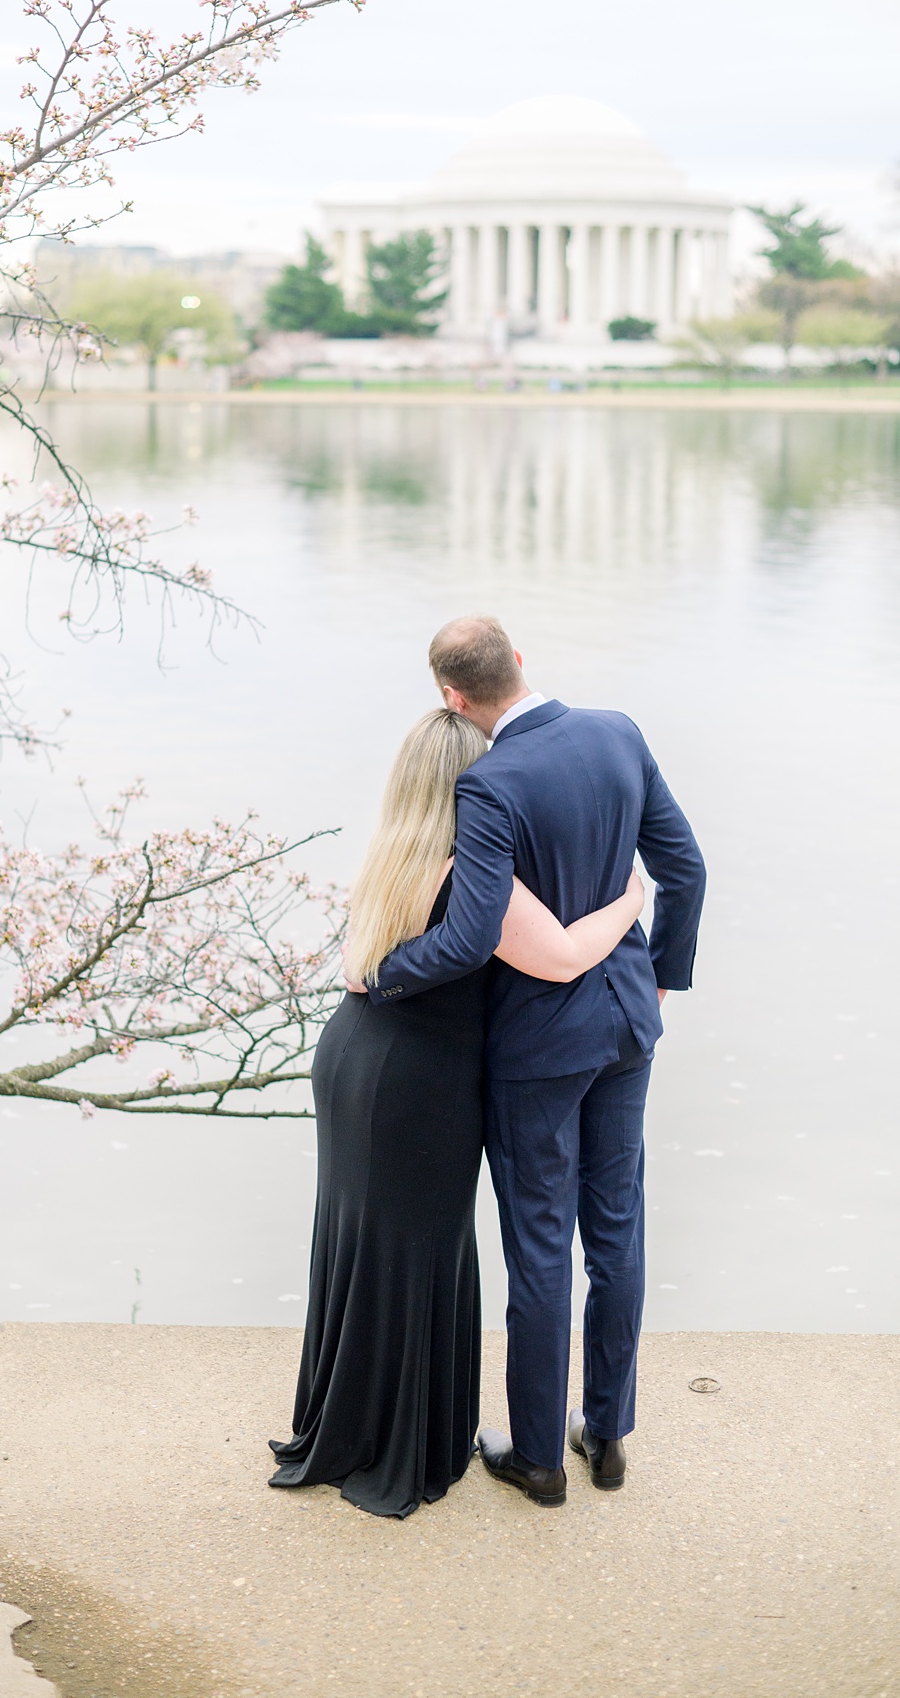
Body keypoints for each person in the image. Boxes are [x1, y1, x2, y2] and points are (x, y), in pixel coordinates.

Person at [361, 616, 706, 1507]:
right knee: (618, 1232)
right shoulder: (619, 732)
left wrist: (382, 974)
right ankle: (610, 1435)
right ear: (520, 661)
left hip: (542, 1051)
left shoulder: (489, 786)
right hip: (629, 1023)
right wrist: (662, 974)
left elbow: (472, 939)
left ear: (452, 697)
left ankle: (540, 1460)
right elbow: (687, 869)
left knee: (542, 1250)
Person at [271, 708, 647, 1518]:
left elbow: (356, 966)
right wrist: (628, 900)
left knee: (363, 1248)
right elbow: (564, 956)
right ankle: (400, 1443)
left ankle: (347, 1425)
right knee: (419, 1257)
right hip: (421, 1085)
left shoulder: (389, 856)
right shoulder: (478, 874)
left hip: (353, 1060)